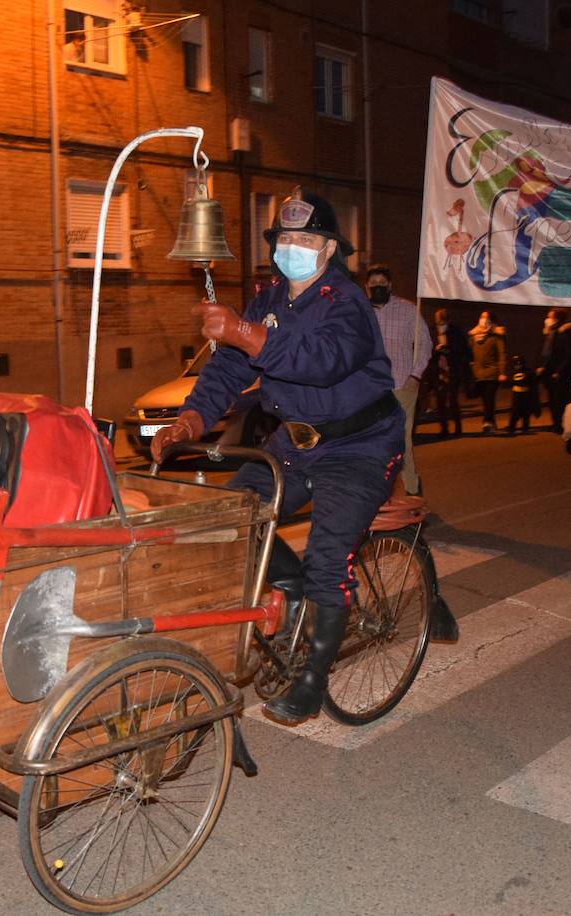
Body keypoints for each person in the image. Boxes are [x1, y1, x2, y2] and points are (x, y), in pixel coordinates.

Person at [151, 188, 404, 726]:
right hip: (294, 443)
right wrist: (192, 419)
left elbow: (324, 361)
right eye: (285, 237)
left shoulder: (349, 303)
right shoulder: (267, 299)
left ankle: (312, 678)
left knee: (327, 557)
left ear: (330, 249)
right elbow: (228, 371)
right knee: (232, 520)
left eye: (307, 238)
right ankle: (289, 585)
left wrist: (244, 334)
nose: (294, 246)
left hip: (358, 445)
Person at [365, 264, 431, 496]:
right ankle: (379, 493)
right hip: (371, 390)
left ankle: (412, 489)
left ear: (390, 285)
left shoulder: (407, 310)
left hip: (402, 384)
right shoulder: (363, 313)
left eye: (382, 284)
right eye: (373, 285)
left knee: (402, 440)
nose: (378, 288)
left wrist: (416, 374)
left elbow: (425, 343)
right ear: (367, 287)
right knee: (372, 441)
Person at [424, 308, 470, 437]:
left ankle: (458, 428)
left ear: (447, 321)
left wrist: (448, 350)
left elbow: (463, 351)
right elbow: (426, 351)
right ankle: (444, 428)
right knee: (440, 401)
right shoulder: (432, 333)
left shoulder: (455, 332)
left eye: (442, 323)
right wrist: (436, 351)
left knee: (453, 400)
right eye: (438, 323)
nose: (440, 326)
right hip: (438, 372)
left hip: (452, 371)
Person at [468, 310, 506, 433]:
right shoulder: (473, 337)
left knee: (489, 398)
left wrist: (502, 373)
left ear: (491, 321)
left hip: (492, 373)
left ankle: (487, 422)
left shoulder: (496, 336)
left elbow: (502, 355)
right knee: (485, 400)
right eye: (481, 317)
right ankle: (491, 420)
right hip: (478, 374)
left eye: (486, 318)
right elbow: (469, 353)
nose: (483, 320)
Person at [538, 308, 571, 434]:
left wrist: (559, 371)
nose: (547, 319)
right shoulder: (549, 333)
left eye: (550, 317)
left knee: (560, 400)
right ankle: (555, 423)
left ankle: (561, 425)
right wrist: (542, 366)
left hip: (560, 373)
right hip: (549, 372)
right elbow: (545, 352)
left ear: (557, 319)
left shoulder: (564, 333)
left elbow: (568, 355)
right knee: (552, 400)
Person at [505, 354, 537, 434]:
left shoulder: (528, 372)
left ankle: (525, 426)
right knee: (515, 411)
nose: (517, 366)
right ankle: (512, 426)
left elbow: (531, 380)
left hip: (526, 394)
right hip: (516, 394)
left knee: (525, 411)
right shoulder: (512, 373)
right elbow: (510, 381)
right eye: (516, 364)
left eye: (519, 364)